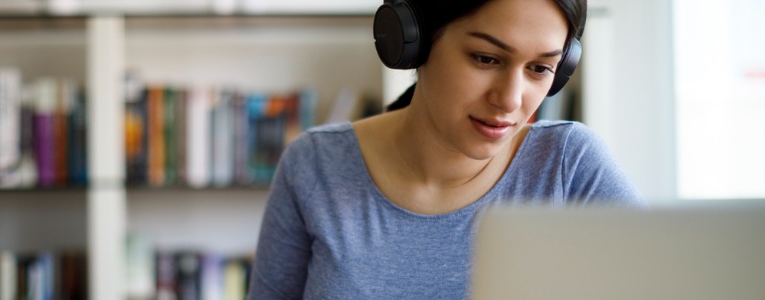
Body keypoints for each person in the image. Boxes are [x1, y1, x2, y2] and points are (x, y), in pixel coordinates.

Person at [246, 0, 646, 298]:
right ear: (413, 45)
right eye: (486, 58)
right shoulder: (315, 166)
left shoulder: (567, 165)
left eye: (539, 68)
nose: (510, 100)